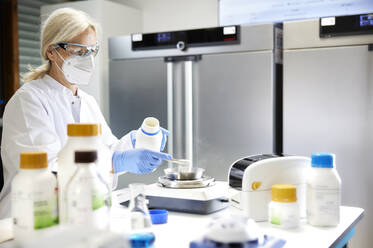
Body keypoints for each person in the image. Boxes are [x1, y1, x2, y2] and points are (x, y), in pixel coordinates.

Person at [0, 8, 172, 218]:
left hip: (78, 216)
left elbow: (108, 149)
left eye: (91, 51)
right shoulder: (28, 100)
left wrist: (135, 142)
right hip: (30, 220)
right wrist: (116, 161)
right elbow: (46, 171)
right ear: (51, 51)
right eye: (78, 51)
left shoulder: (87, 101)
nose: (87, 59)